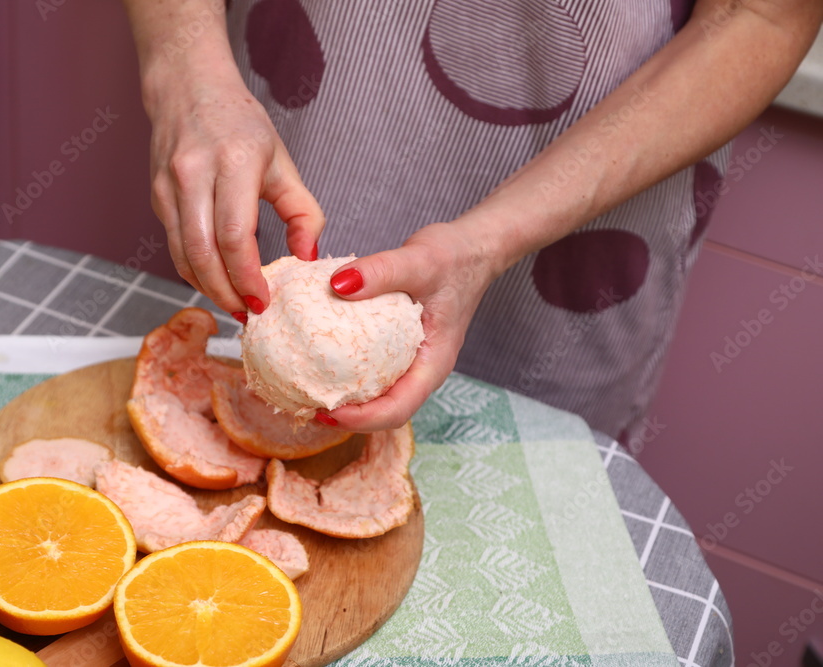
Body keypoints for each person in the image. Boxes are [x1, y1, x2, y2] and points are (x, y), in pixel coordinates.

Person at [120, 0, 822, 437]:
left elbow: (758, 15)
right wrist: (188, 72)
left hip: (580, 226)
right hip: (288, 123)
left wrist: (489, 243)